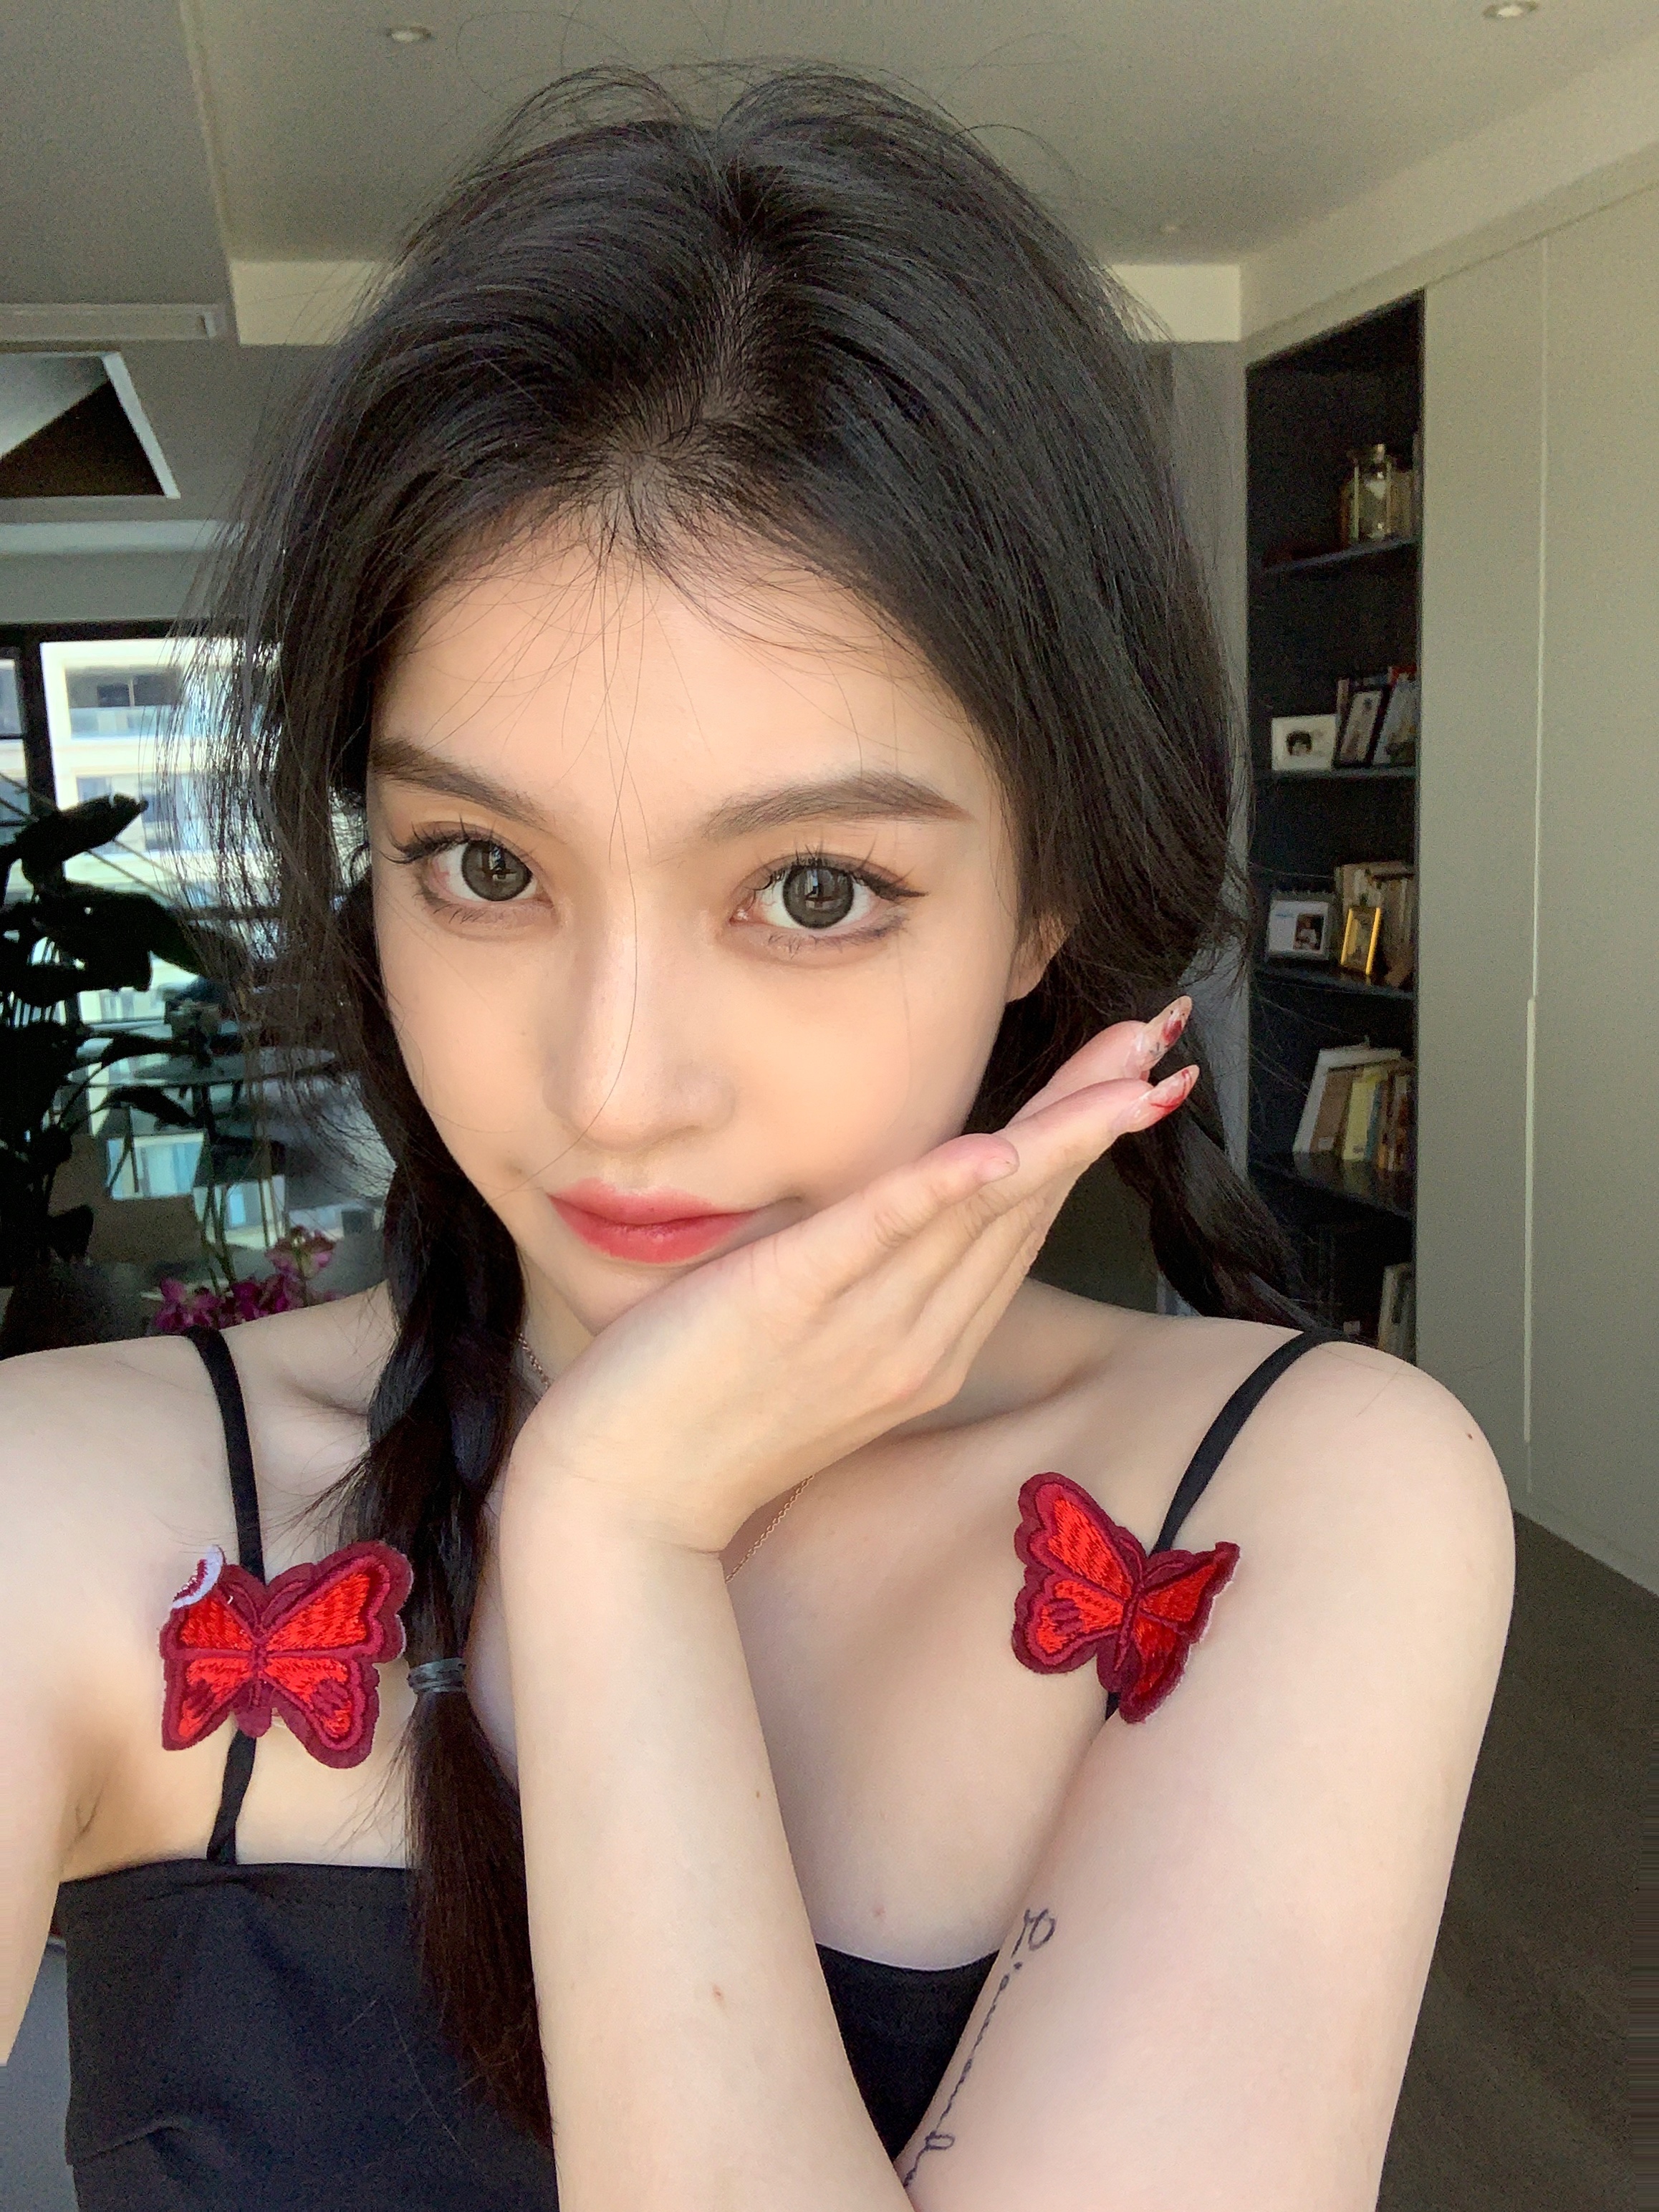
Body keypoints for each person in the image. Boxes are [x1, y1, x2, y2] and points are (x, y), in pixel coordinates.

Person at [0, 67, 1512, 2212]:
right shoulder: (60, 1510)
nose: (616, 1087)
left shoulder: (1301, 1496)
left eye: (812, 888)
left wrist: (616, 1544)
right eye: (483, 866)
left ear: (1045, 896)